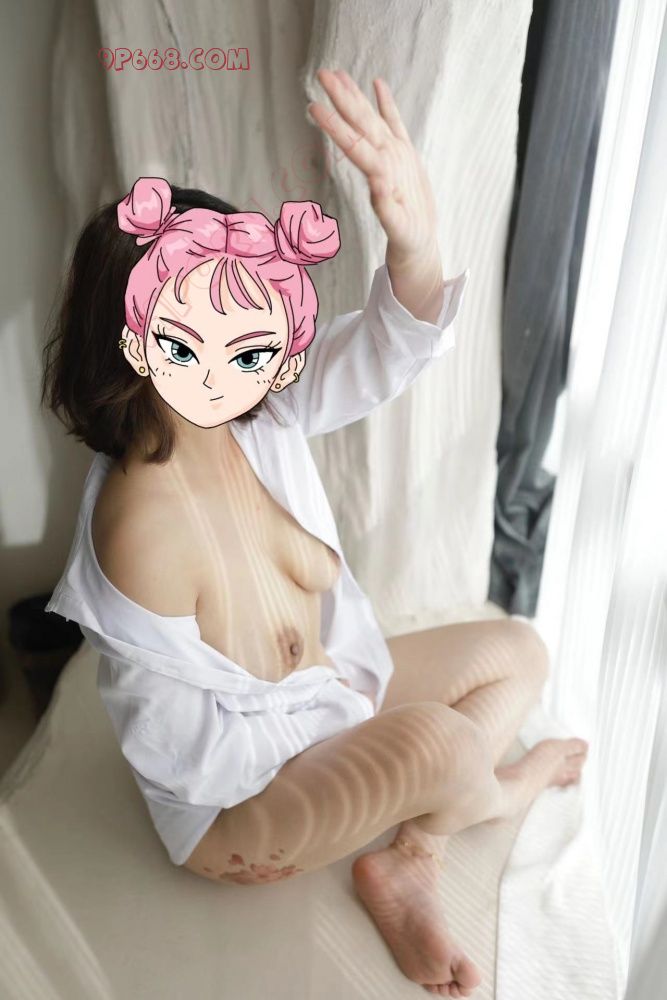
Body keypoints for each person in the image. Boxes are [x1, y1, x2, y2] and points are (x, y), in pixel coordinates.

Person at [41, 68, 588, 1000]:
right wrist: (364, 756)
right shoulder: (142, 528)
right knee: (441, 745)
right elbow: (178, 749)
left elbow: (384, 345)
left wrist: (414, 243)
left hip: (324, 704)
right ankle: (496, 796)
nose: (232, 367)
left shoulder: (257, 412)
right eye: (191, 341)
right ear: (133, 344)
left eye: (250, 338)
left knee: (517, 652)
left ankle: (410, 854)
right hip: (244, 808)